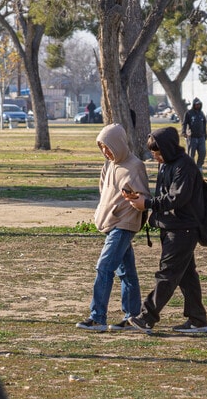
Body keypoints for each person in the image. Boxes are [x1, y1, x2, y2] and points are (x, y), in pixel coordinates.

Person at [124, 126, 207, 334]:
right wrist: (142, 200)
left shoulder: (185, 167)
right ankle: (198, 319)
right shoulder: (168, 164)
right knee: (186, 276)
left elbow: (177, 198)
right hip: (171, 227)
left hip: (183, 229)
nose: (155, 156)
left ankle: (147, 317)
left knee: (168, 273)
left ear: (169, 148)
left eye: (157, 152)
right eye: (153, 152)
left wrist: (149, 204)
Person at [75, 123, 151, 332]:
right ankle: (132, 317)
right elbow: (104, 191)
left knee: (104, 267)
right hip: (110, 223)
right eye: (102, 147)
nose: (105, 151)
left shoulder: (135, 166)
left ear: (118, 143)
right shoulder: (108, 165)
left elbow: (144, 195)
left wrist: (136, 198)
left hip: (124, 225)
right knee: (126, 272)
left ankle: (97, 317)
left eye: (108, 147)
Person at [181, 97, 207, 171]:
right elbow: (184, 123)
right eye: (196, 104)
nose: (197, 106)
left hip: (201, 137)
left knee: (203, 152)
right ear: (193, 105)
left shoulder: (201, 114)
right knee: (191, 154)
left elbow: (204, 124)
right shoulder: (189, 113)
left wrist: (205, 134)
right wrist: (184, 132)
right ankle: (191, 168)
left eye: (199, 104)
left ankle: (199, 166)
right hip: (192, 137)